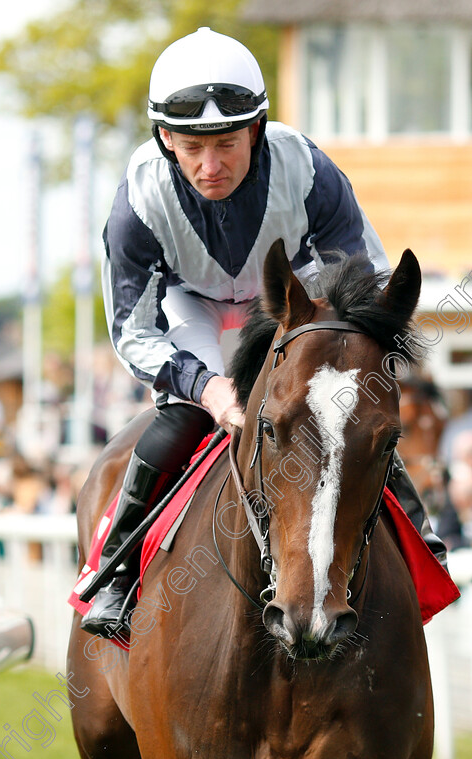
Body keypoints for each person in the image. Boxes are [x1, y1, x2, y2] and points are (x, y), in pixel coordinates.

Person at [81, 27, 446, 638]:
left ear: (255, 129)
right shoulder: (138, 197)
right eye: (192, 147)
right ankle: (114, 573)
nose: (210, 166)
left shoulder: (308, 170)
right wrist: (207, 388)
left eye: (226, 143)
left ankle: (418, 536)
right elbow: (134, 330)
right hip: (190, 302)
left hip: (295, 292)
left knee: (341, 410)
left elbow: (361, 286)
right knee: (184, 418)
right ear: (165, 136)